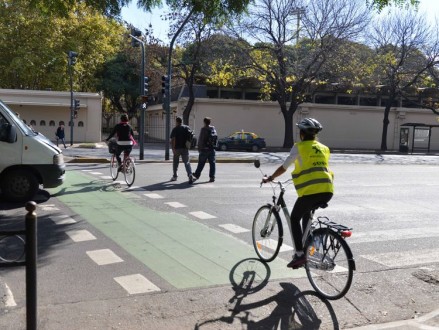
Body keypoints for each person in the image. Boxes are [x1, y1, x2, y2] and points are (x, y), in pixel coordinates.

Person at [263, 118, 334, 269]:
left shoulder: (299, 147)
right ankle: (309, 248)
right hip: (327, 190)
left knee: (295, 218)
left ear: (302, 133)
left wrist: (271, 177)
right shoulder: (324, 148)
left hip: (311, 191)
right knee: (305, 215)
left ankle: (299, 255)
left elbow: (284, 167)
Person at [170, 116, 195, 183]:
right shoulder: (186, 127)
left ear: (176, 121)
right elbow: (191, 135)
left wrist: (173, 148)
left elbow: (173, 139)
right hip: (185, 148)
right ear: (182, 121)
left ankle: (175, 176)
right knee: (187, 162)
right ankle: (190, 174)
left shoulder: (175, 129)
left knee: (175, 163)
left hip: (177, 148)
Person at [193, 117, 216, 182]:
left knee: (201, 163)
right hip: (212, 149)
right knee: (212, 163)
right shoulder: (213, 128)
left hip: (204, 149)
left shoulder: (203, 129)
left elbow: (201, 139)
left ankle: (197, 174)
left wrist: (199, 148)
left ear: (204, 122)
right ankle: (212, 177)